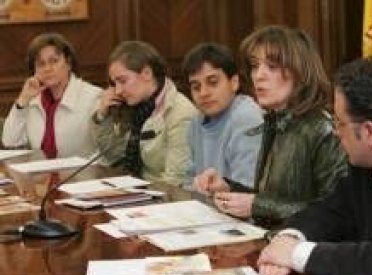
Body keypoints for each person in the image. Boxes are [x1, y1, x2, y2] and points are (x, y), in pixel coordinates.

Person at [258, 57, 372, 275]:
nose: (335, 131)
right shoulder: (366, 164)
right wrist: (289, 237)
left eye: (339, 122)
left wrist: (297, 254)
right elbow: (331, 211)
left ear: (370, 133)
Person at [193, 25, 347, 225]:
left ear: (300, 72)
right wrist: (228, 188)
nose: (258, 75)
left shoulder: (323, 129)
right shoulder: (275, 120)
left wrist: (256, 206)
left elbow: (335, 213)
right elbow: (272, 198)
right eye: (255, 66)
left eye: (272, 67)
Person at [91, 41, 197, 186]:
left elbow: (176, 181)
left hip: (162, 200)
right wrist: (103, 116)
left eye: (122, 81)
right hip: (136, 192)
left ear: (147, 73)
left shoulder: (180, 113)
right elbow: (115, 158)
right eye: (114, 83)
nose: (118, 91)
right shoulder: (136, 107)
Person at [2, 33, 102, 158]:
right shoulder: (33, 100)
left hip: (83, 174)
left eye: (54, 61)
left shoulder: (93, 97)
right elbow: (10, 141)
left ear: (69, 63)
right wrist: (23, 100)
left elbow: (104, 150)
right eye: (41, 64)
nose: (47, 68)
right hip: (42, 175)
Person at [182, 42, 263, 188]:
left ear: (234, 83)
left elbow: (247, 188)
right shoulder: (196, 121)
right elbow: (188, 180)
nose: (203, 93)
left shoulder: (246, 117)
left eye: (213, 82)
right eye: (196, 87)